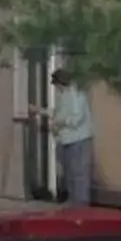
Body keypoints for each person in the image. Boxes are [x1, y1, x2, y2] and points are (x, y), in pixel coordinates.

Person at [51, 68, 97, 207]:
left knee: (79, 173)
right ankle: (73, 200)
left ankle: (81, 203)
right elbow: (59, 113)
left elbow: (76, 118)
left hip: (79, 138)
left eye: (56, 84)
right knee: (70, 172)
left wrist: (59, 122)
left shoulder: (76, 93)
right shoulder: (63, 94)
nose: (56, 87)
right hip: (66, 139)